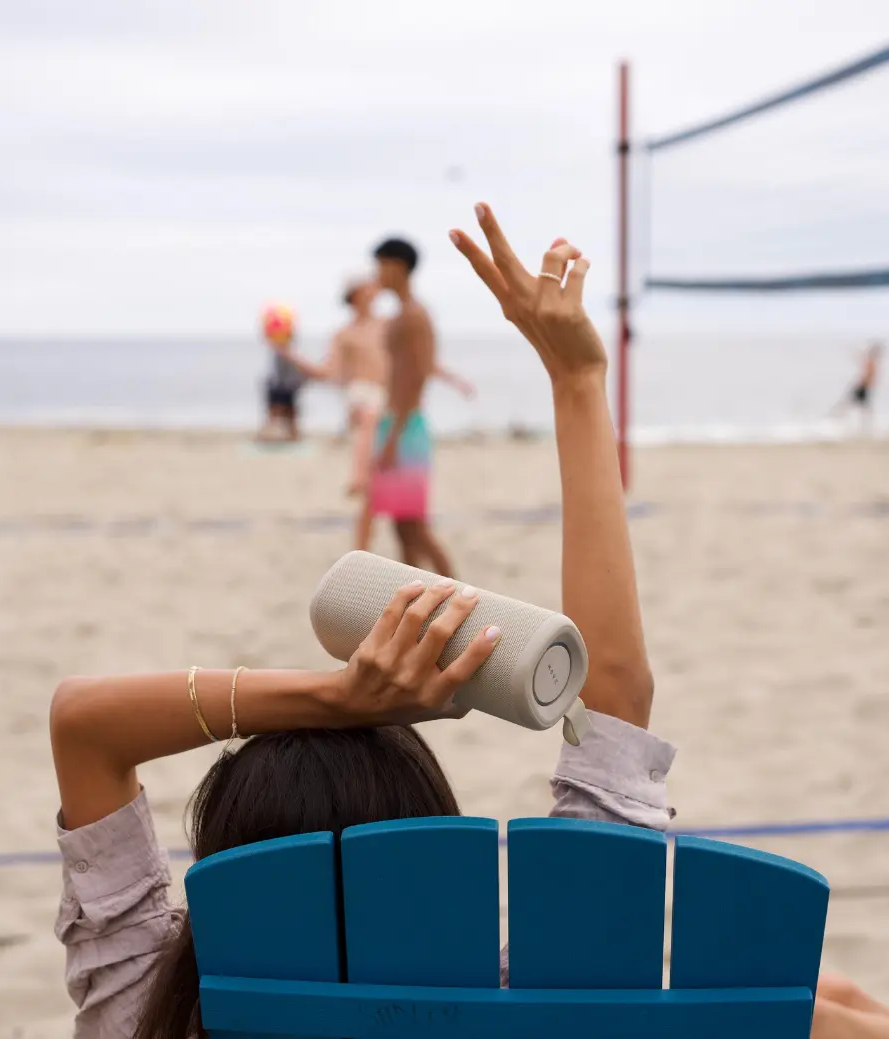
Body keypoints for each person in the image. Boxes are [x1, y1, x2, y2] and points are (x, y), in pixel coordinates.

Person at [51, 202, 672, 1038]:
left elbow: (83, 721)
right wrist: (576, 382)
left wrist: (336, 698)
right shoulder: (531, 995)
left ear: (223, 873)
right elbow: (619, 695)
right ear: (437, 847)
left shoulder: (149, 1007)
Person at [287, 275, 474, 551]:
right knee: (370, 417)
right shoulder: (344, 334)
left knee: (379, 496)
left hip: (389, 405)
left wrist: (453, 379)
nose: (373, 290)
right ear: (355, 297)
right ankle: (358, 475)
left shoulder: (389, 326)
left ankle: (364, 541)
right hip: (362, 397)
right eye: (365, 289)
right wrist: (289, 353)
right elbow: (328, 372)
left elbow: (419, 360)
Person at [368, 237, 456, 575]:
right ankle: (420, 602)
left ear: (398, 266)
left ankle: (459, 596)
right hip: (395, 422)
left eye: (381, 265)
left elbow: (418, 376)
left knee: (416, 526)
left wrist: (393, 438)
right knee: (401, 526)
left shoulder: (415, 316)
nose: (377, 273)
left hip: (407, 426)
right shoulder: (401, 315)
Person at [256, 311, 306, 443]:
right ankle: (270, 436)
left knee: (290, 413)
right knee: (276, 412)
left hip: (288, 385)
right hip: (279, 385)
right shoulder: (280, 349)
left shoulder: (288, 350)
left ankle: (293, 436)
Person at [831, 341, 885, 432]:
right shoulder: (870, 362)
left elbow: (869, 375)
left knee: (854, 405)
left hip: (863, 387)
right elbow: (867, 376)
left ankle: (839, 418)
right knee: (855, 405)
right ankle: (836, 418)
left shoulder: (871, 362)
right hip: (862, 387)